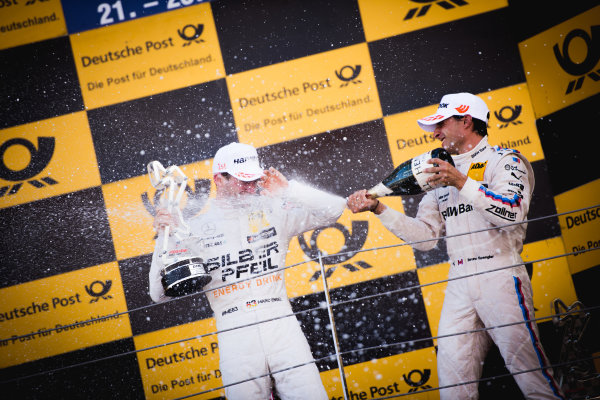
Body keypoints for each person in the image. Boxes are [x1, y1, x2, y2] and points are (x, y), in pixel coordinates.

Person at [347, 93, 564, 399]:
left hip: (499, 272)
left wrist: (461, 182)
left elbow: (513, 214)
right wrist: (380, 209)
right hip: (458, 280)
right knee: (452, 382)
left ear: (466, 121)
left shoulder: (505, 161)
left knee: (531, 375)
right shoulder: (439, 175)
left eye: (440, 124)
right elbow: (425, 238)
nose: (434, 133)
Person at [149, 142, 345, 400]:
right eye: (242, 180)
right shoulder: (192, 229)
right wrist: (166, 237)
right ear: (219, 179)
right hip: (234, 329)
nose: (250, 187)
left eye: (254, 179)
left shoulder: (275, 210)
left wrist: (290, 190)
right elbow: (158, 293)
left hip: (280, 321)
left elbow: (336, 208)